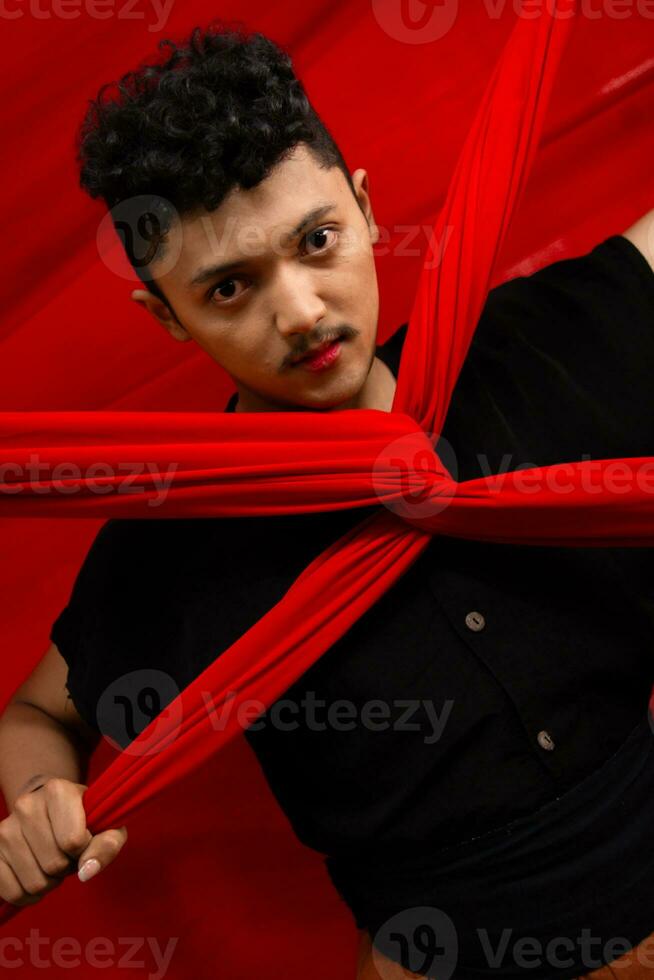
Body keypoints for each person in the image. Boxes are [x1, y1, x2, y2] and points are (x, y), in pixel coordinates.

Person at [0, 19, 653, 980]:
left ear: (365, 205)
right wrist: (38, 799)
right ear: (166, 314)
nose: (301, 310)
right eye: (229, 287)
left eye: (317, 240)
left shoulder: (532, 352)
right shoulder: (179, 538)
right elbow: (38, 716)